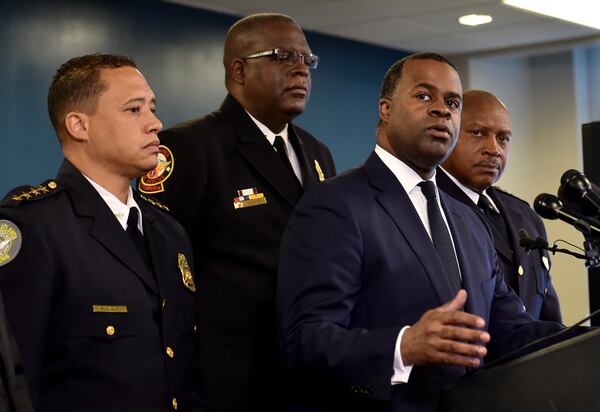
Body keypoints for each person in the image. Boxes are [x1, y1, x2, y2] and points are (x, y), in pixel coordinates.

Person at [276, 53, 562, 411]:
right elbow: (304, 342)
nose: (442, 110)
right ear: (386, 109)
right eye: (425, 96)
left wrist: (590, 340)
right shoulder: (335, 205)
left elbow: (510, 329)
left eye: (452, 102)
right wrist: (403, 346)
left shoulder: (469, 220)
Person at [138, 13, 336, 412]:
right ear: (239, 70)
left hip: (305, 370)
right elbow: (158, 270)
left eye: (306, 59)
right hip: (227, 377)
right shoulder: (189, 147)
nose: (301, 69)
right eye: (284, 56)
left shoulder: (317, 153)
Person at [0, 54, 205, 411]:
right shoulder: (32, 226)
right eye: (133, 110)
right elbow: (15, 382)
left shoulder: (169, 231)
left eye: (152, 109)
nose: (155, 123)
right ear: (80, 126)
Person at [438, 90, 562, 322]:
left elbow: (548, 316)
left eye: (503, 138)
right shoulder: (430, 208)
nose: (494, 149)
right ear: (448, 133)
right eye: (477, 133)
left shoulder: (525, 216)